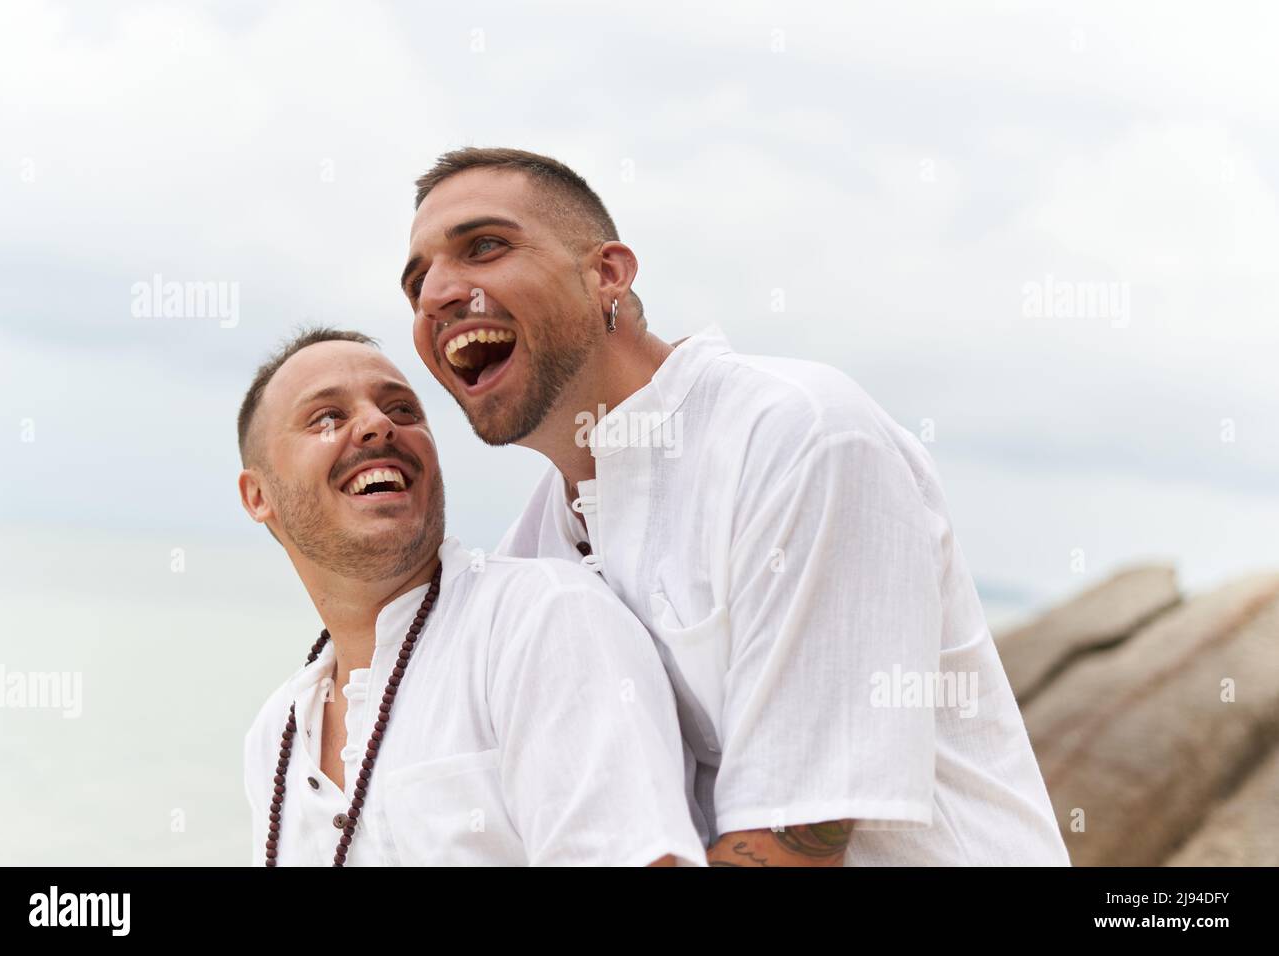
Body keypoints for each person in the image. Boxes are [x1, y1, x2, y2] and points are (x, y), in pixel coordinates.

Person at [400, 147, 1071, 866]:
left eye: (485, 246)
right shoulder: (531, 555)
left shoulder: (799, 435)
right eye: (416, 284)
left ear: (607, 274)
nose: (439, 292)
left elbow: (791, 846)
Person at [237, 327, 705, 866]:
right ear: (258, 495)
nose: (378, 425)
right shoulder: (276, 736)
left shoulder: (540, 622)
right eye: (326, 418)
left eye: (403, 410)